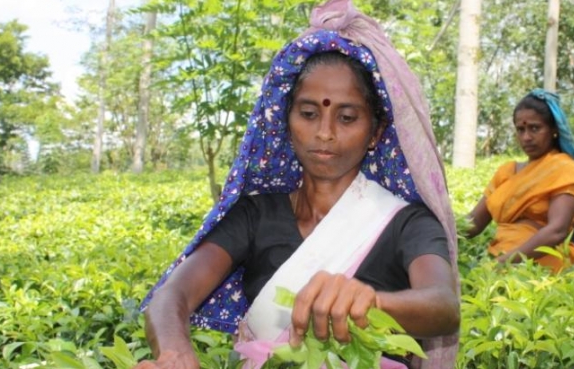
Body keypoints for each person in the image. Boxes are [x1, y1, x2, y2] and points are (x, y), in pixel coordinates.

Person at [133, 1, 460, 368]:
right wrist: (175, 352)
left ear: (375, 132)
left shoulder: (407, 223)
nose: (325, 132)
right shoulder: (254, 215)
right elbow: (172, 295)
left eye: (347, 117)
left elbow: (444, 306)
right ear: (287, 121)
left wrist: (370, 302)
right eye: (308, 113)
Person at [464, 89, 574, 273]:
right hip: (498, 263)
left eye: (535, 128)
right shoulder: (507, 172)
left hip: (545, 270)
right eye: (520, 129)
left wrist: (505, 262)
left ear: (554, 130)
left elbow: (557, 230)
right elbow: (473, 224)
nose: (526, 137)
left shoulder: (565, 169)